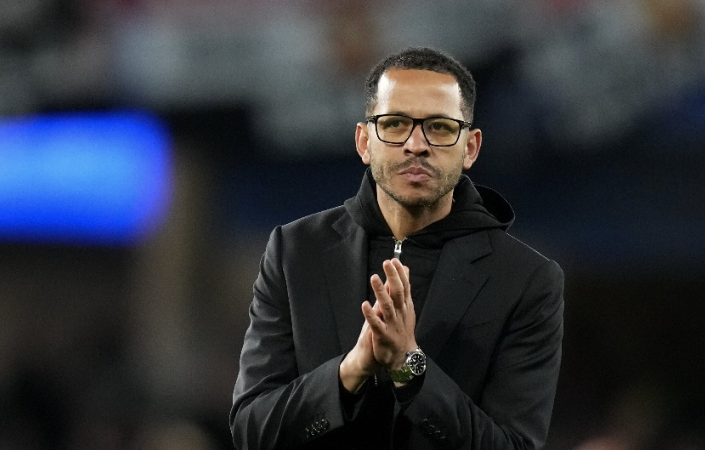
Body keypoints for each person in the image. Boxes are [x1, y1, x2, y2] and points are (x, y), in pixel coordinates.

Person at [230, 47, 565, 449]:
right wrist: (350, 371)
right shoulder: (295, 251)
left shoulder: (526, 280)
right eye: (394, 124)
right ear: (364, 141)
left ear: (470, 148)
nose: (416, 144)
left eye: (439, 127)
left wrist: (410, 368)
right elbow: (252, 430)